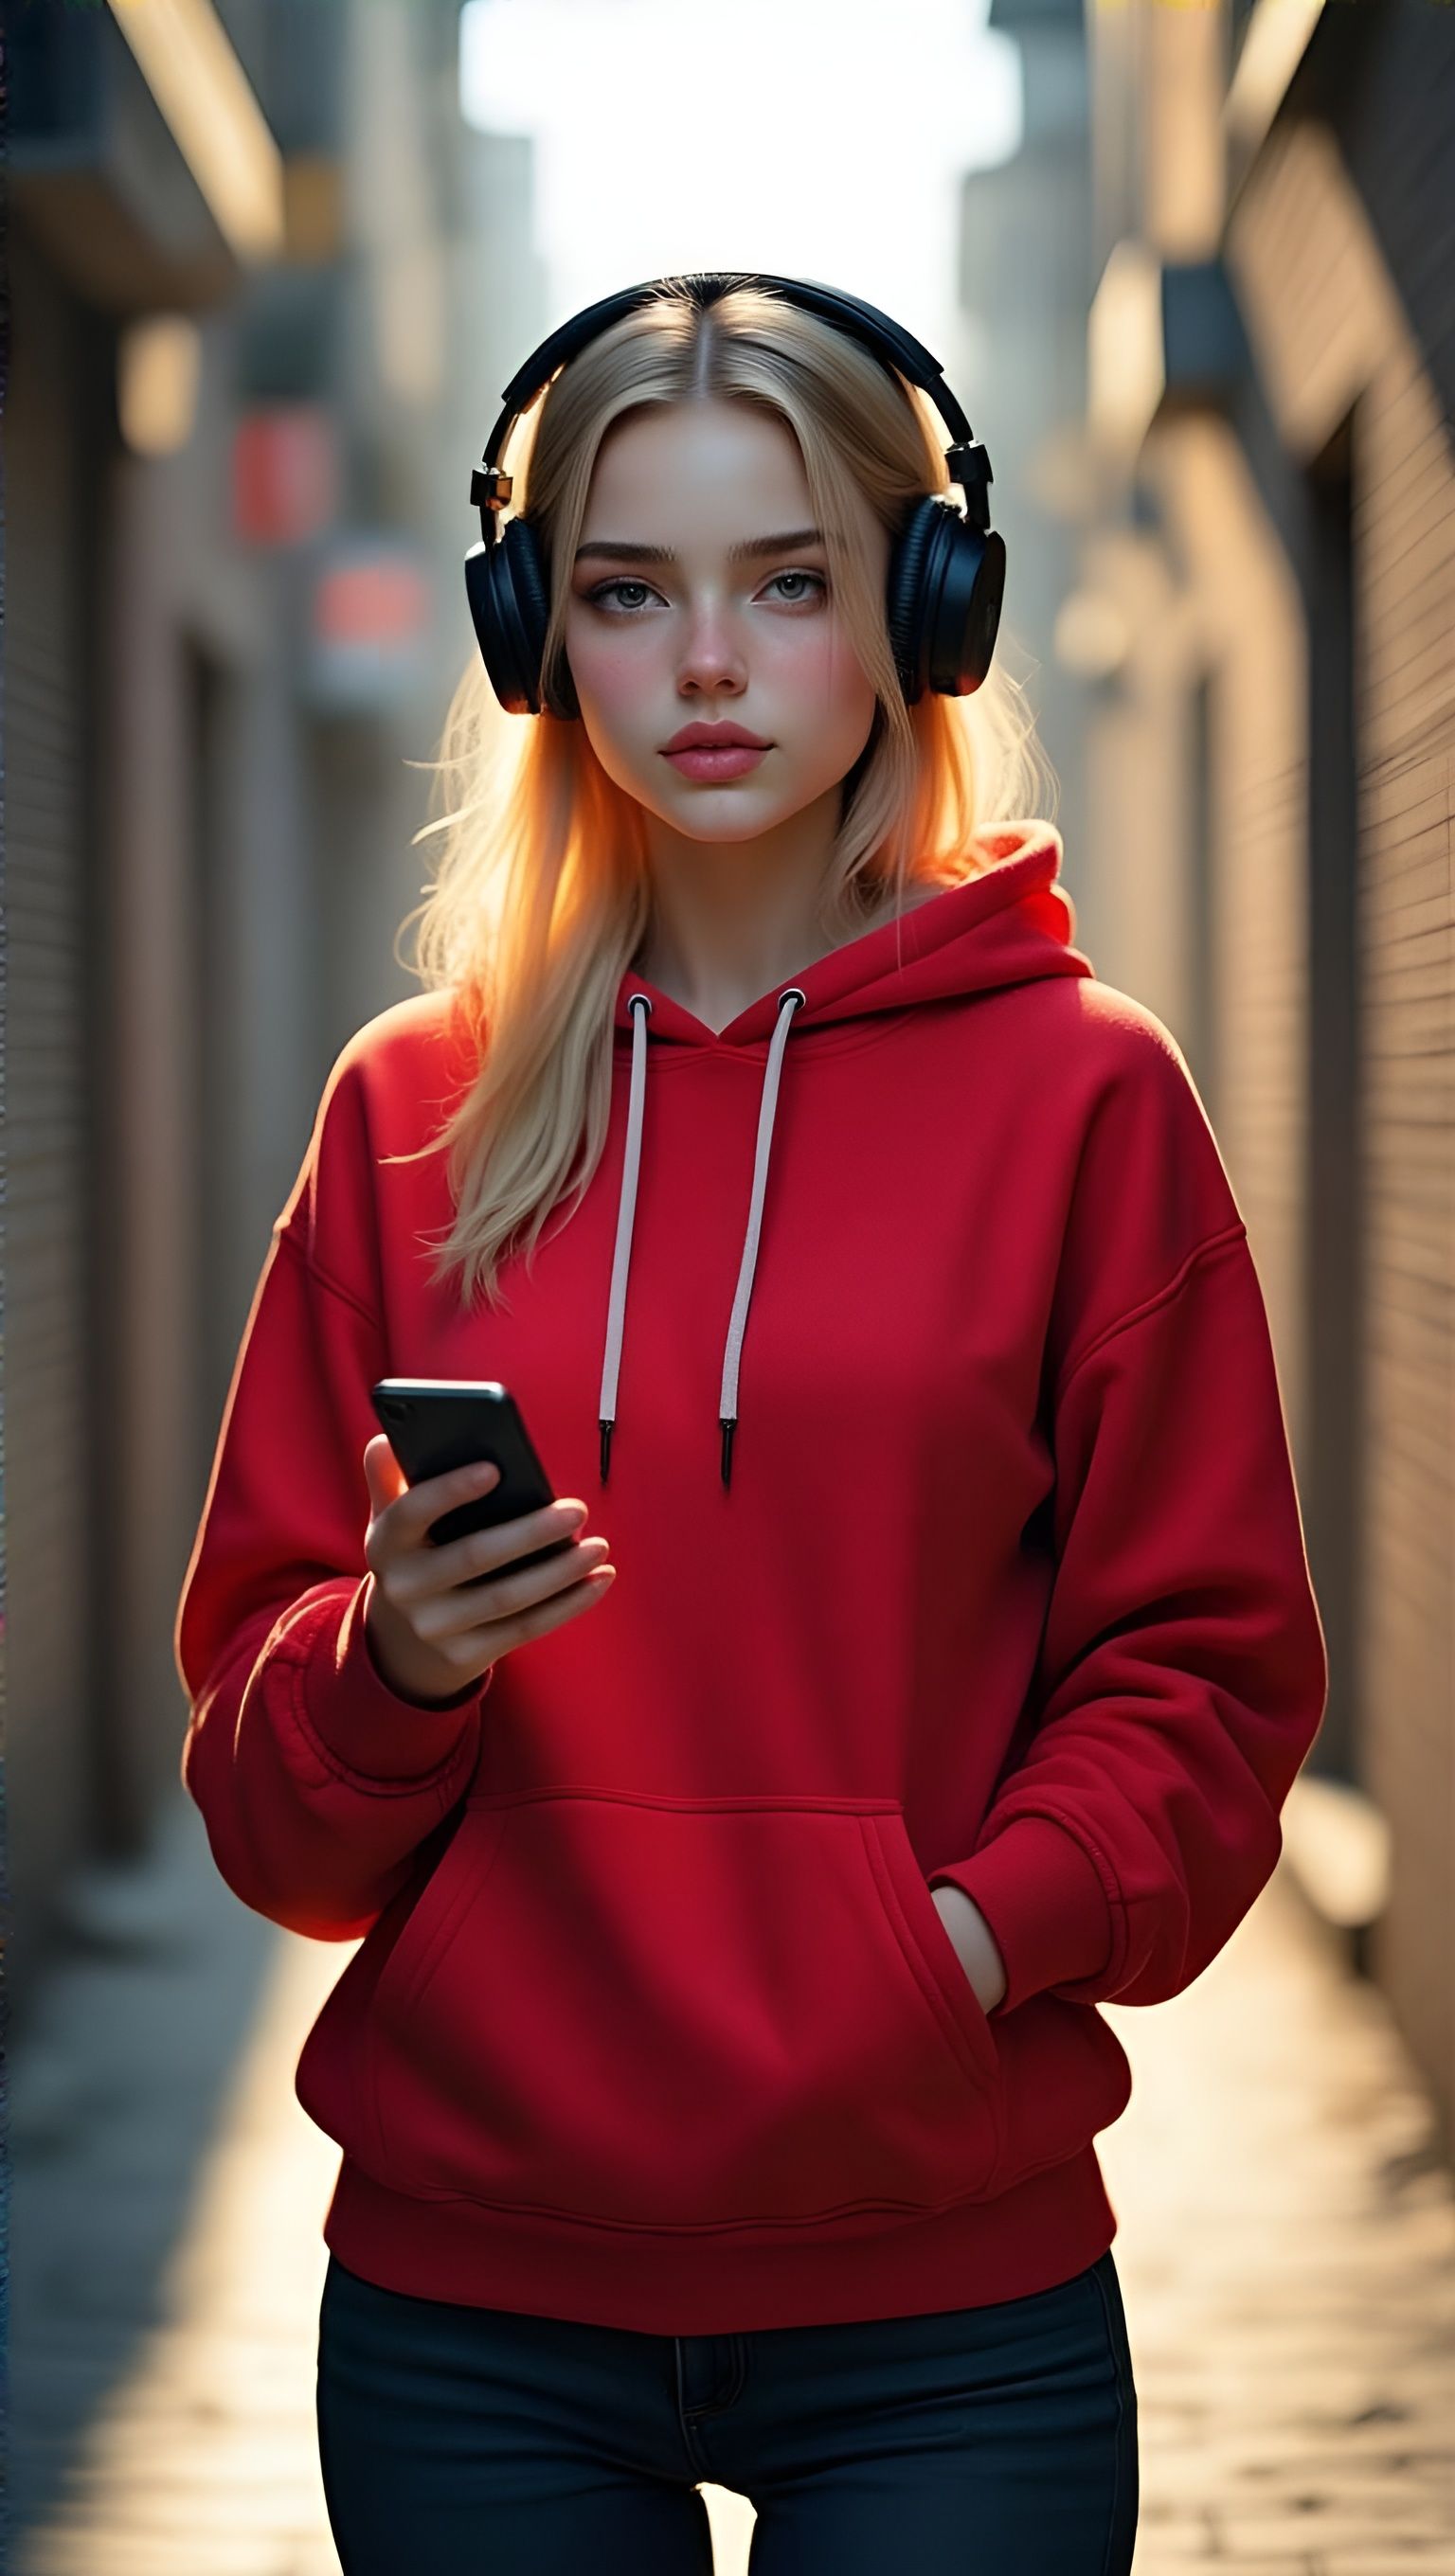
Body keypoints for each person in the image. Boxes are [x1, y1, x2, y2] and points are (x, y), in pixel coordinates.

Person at [174, 274, 1328, 2574]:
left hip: (949, 2298)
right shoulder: (409, 1112)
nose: (707, 662)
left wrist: (963, 1948)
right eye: (626, 591)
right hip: (472, 2304)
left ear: (925, 607)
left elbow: (1203, 1682)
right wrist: (386, 1661)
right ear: (537, 638)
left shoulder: (1087, 1097)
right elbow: (270, 1814)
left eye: (790, 582)